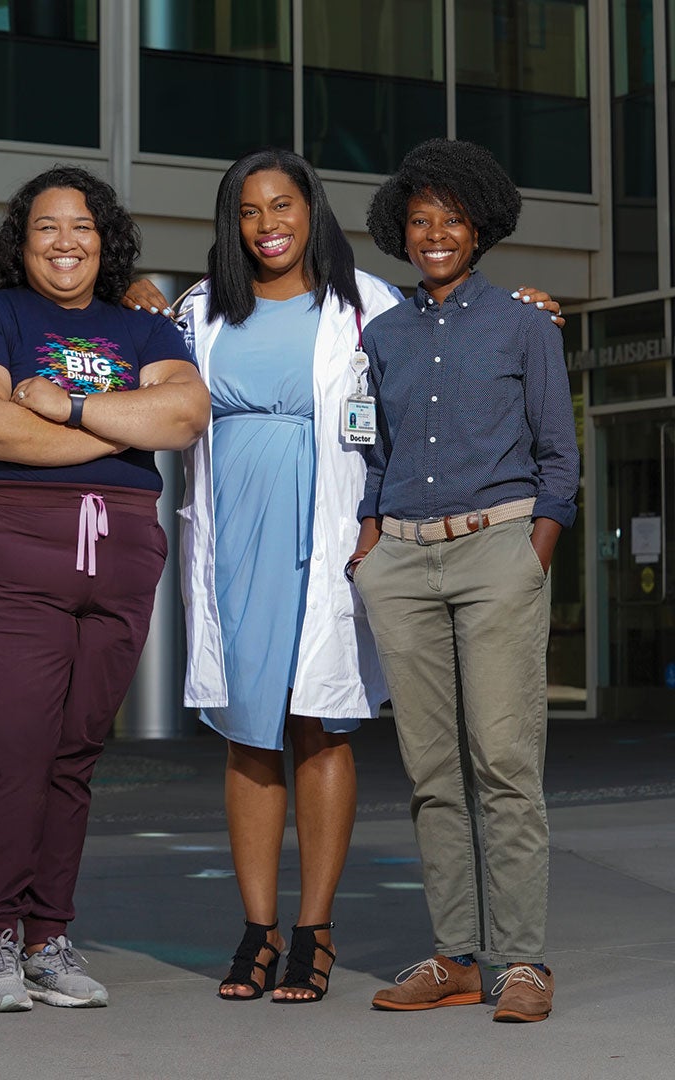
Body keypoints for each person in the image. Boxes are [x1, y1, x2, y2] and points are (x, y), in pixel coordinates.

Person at [123, 147, 564, 1004]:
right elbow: (128, 356)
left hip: (334, 534)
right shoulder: (202, 307)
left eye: (282, 205)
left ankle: (320, 934)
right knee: (250, 732)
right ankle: (260, 930)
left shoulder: (370, 302)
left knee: (324, 724)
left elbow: (456, 368)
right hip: (238, 534)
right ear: (232, 222)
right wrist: (131, 292)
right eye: (249, 211)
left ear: (311, 209)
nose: (268, 224)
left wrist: (534, 303)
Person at [0, 165, 209, 1012]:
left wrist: (66, 408)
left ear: (106, 238)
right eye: (46, 226)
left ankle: (50, 936)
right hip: (12, 553)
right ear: (23, 241)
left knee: (75, 753)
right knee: (12, 747)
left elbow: (185, 416)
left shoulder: (143, 323)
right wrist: (122, 428)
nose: (64, 241)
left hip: (119, 560)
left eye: (81, 226)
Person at [351, 138, 579, 1023]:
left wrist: (537, 548)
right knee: (431, 771)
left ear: (479, 228)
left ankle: (521, 963)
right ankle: (454, 955)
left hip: (499, 553)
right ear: (400, 233)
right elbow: (375, 454)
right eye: (419, 220)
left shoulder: (526, 323)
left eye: (451, 218)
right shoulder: (384, 335)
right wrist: (370, 552)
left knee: (506, 764)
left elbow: (559, 454)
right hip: (402, 561)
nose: (435, 233)